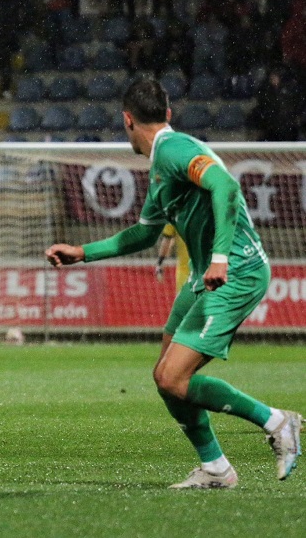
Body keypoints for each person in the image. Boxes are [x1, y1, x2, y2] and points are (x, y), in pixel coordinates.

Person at [45, 78, 302, 489]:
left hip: (235, 270)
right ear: (166, 112)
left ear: (127, 120)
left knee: (173, 377)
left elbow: (227, 185)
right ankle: (216, 468)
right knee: (165, 376)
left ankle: (277, 421)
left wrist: (219, 256)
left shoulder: (176, 149)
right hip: (205, 276)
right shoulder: (162, 168)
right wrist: (82, 252)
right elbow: (143, 235)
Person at [155, 225, 190, 295]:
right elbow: (167, 240)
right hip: (185, 271)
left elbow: (167, 240)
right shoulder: (173, 215)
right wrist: (159, 263)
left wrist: (159, 263)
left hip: (206, 271)